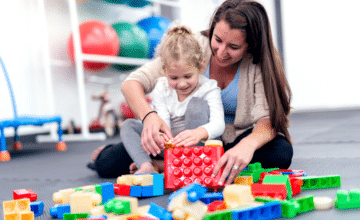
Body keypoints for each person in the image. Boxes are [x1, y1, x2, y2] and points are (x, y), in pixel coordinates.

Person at [120, 0, 293, 185]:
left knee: (280, 151)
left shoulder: (258, 64)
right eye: (217, 40)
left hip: (224, 139)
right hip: (179, 136)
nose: (220, 52)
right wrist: (149, 117)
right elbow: (131, 83)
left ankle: (168, 166)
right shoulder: (192, 46)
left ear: (250, 45)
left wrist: (246, 146)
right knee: (110, 160)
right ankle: (171, 164)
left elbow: (268, 120)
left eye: (233, 47)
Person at [88, 24, 225, 177]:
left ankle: (180, 165)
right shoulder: (161, 86)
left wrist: (198, 133)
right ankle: (147, 166)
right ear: (164, 71)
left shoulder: (209, 87)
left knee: (196, 105)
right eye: (174, 77)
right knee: (128, 125)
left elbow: (219, 124)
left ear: (200, 68)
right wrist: (160, 136)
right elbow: (162, 121)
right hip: (170, 147)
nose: (181, 84)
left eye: (188, 76)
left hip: (200, 147)